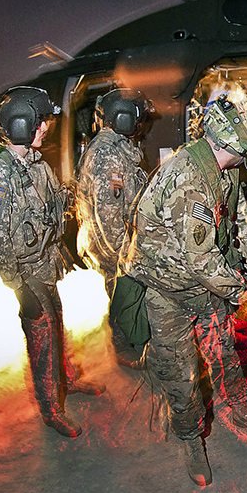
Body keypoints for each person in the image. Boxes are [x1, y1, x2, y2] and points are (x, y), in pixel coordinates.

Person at [118, 90, 247, 486]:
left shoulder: (226, 168)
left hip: (208, 285)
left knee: (226, 351)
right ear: (236, 143)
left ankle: (240, 409)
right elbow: (201, 258)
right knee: (181, 373)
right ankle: (192, 439)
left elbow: (236, 221)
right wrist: (243, 295)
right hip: (168, 290)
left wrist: (243, 268)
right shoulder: (188, 180)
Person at [0, 86, 104, 439]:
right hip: (26, 274)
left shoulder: (36, 164)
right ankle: (51, 409)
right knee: (41, 339)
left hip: (45, 264)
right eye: (40, 122)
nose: (47, 127)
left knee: (57, 324)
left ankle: (66, 381)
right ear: (22, 126)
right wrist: (18, 289)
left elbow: (54, 199)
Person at [75, 88, 152, 363]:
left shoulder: (118, 147)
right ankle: (124, 352)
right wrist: (124, 256)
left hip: (116, 240)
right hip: (110, 246)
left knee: (126, 292)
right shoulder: (108, 156)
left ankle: (129, 341)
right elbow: (107, 216)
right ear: (123, 119)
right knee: (121, 294)